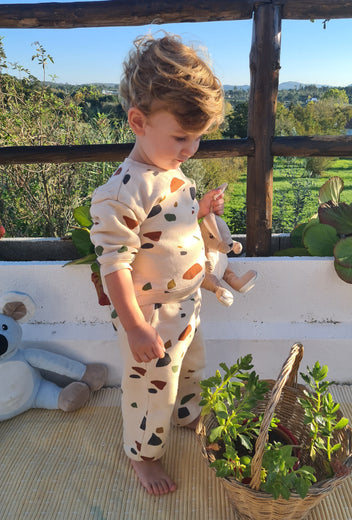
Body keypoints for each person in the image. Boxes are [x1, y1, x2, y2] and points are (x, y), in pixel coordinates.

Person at [89, 33, 225, 496]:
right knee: (150, 390)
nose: (190, 149)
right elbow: (115, 263)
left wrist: (202, 210)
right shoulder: (122, 191)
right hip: (148, 318)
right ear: (138, 121)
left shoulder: (168, 166)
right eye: (182, 137)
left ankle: (187, 413)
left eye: (198, 139)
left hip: (185, 306)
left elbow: (167, 224)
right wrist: (134, 327)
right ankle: (143, 456)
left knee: (189, 369)